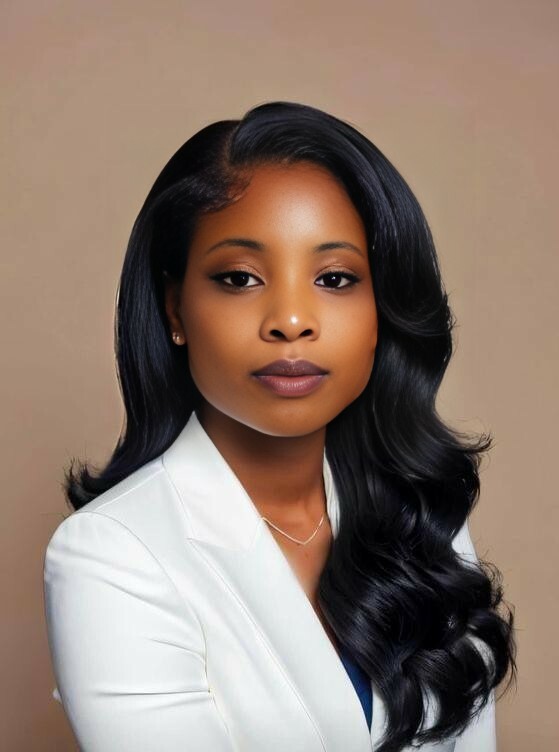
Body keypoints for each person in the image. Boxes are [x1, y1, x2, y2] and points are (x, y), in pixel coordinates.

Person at [43, 101, 516, 752]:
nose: (291, 320)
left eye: (335, 278)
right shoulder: (110, 555)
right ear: (175, 309)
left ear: (382, 310)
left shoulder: (420, 512)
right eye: (239, 278)